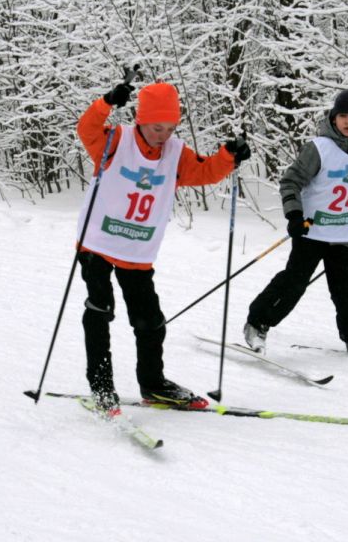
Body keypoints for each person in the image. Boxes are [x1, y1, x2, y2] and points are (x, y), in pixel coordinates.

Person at [75, 77, 250, 411]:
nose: (164, 135)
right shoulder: (115, 140)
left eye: (170, 128)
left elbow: (205, 173)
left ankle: (153, 384)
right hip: (98, 242)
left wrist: (229, 156)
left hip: (137, 250)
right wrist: (107, 102)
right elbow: (86, 129)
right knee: (100, 310)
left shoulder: (175, 152)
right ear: (141, 121)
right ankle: (101, 387)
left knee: (150, 321)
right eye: (157, 128)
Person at [243, 88, 348, 360]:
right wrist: (294, 215)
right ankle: (256, 325)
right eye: (342, 116)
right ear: (334, 118)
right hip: (311, 231)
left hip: (344, 235)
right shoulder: (319, 148)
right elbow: (291, 181)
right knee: (293, 284)